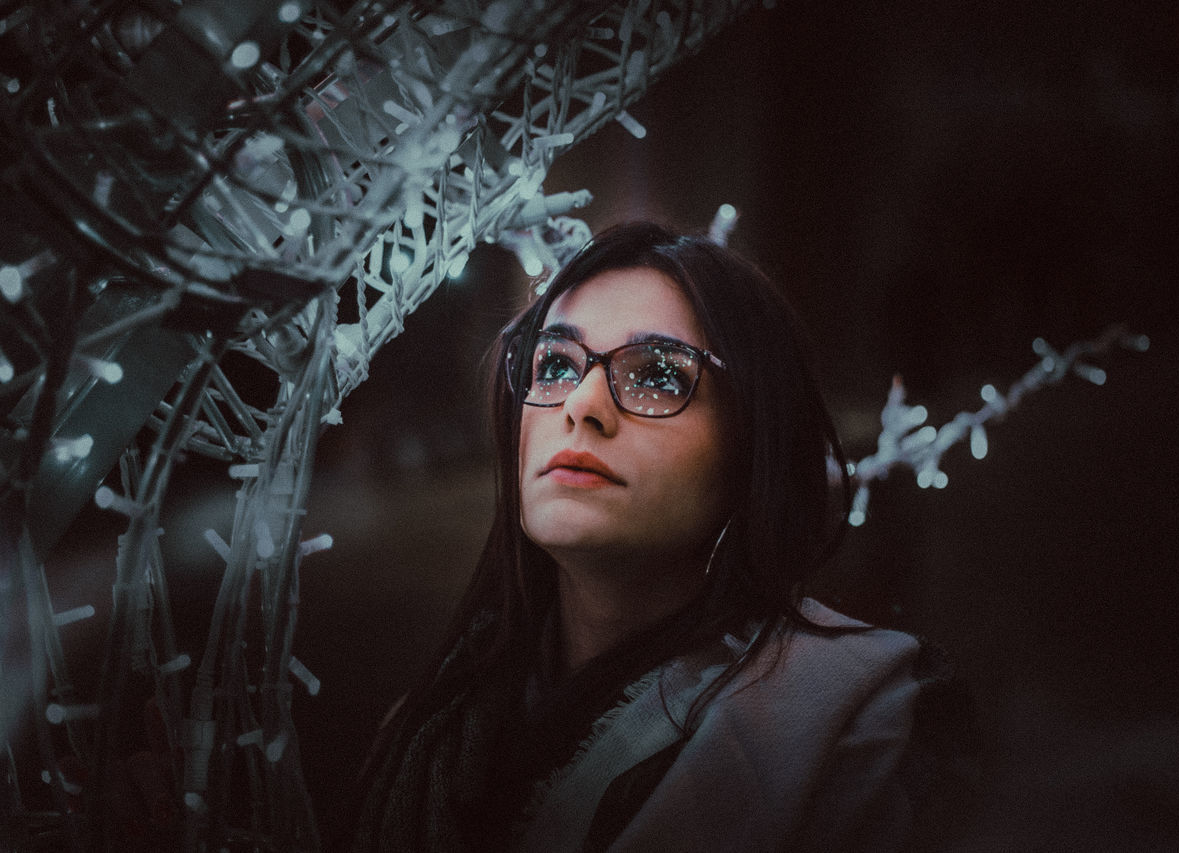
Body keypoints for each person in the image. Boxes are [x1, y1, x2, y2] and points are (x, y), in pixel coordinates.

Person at [342, 221, 925, 852]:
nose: (582, 404)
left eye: (659, 376)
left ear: (752, 446)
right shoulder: (424, 731)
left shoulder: (854, 726)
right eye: (556, 365)